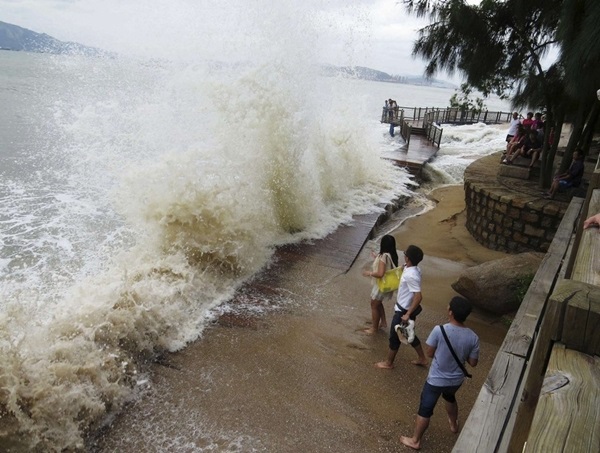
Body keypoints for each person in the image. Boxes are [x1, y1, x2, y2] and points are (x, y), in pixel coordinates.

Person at [400, 297, 480, 451]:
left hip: (436, 379)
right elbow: (473, 363)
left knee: (426, 408)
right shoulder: (473, 337)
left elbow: (429, 353)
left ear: (451, 312)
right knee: (449, 397)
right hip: (456, 380)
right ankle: (453, 424)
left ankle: (415, 440)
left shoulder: (440, 330)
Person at [376, 245, 428, 369]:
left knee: (394, 337)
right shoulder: (413, 269)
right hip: (403, 308)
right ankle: (422, 358)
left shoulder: (411, 275)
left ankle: (388, 363)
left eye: (405, 254)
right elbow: (404, 269)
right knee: (408, 333)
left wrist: (408, 314)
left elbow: (418, 296)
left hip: (403, 311)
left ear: (407, 258)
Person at [362, 235, 399, 335]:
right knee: (378, 303)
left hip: (381, 285)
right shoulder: (391, 255)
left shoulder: (384, 256)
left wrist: (369, 273)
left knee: (374, 305)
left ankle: (374, 328)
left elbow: (380, 274)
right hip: (386, 285)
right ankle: (383, 322)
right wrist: (376, 257)